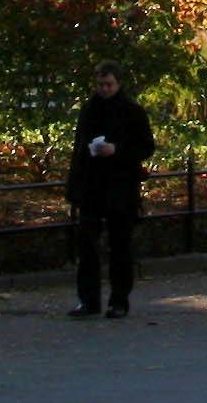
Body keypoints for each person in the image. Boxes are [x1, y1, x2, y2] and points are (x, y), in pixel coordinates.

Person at [65, 65, 155, 320]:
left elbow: (146, 146)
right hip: (92, 186)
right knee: (87, 245)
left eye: (109, 85)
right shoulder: (89, 110)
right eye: (101, 85)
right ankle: (88, 299)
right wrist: (75, 187)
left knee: (120, 246)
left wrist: (117, 150)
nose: (104, 89)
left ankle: (119, 300)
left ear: (118, 84)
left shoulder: (132, 111)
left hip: (120, 187)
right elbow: (79, 149)